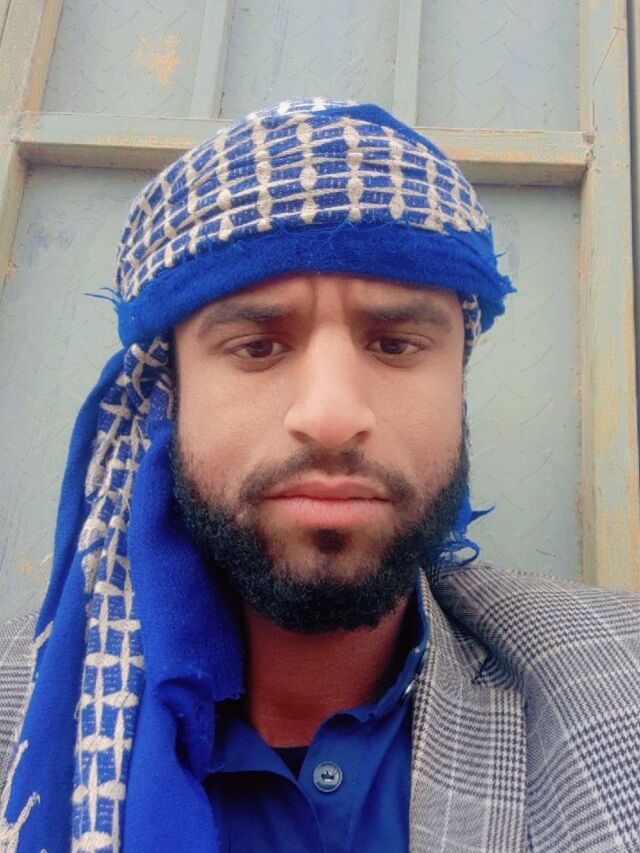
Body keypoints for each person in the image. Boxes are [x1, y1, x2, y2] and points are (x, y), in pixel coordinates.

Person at [0, 98, 638, 853]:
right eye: (257, 347)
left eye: (396, 344)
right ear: (171, 396)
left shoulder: (615, 678)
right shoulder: (18, 705)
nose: (331, 417)